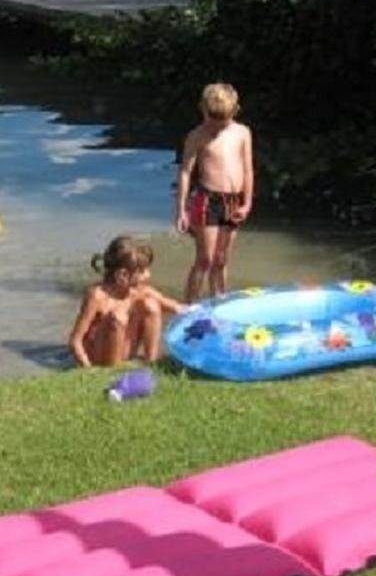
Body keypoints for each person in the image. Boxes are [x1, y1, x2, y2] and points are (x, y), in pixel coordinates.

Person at [175, 82, 254, 303]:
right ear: (203, 110)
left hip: (233, 201)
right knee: (205, 259)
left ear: (235, 111)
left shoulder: (242, 133)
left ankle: (219, 302)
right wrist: (181, 210)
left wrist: (247, 202)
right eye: (213, 119)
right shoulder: (197, 136)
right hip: (207, 200)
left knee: (221, 259)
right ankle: (190, 306)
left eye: (223, 119)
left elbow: (248, 170)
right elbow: (185, 172)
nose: (218, 125)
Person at [68, 235, 186, 367]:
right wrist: (88, 369)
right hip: (100, 358)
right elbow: (75, 341)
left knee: (151, 305)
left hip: (125, 352)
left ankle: (151, 362)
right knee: (118, 316)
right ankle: (112, 370)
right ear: (122, 275)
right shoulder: (97, 296)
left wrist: (202, 314)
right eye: (142, 271)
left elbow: (178, 308)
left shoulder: (140, 291)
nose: (148, 275)